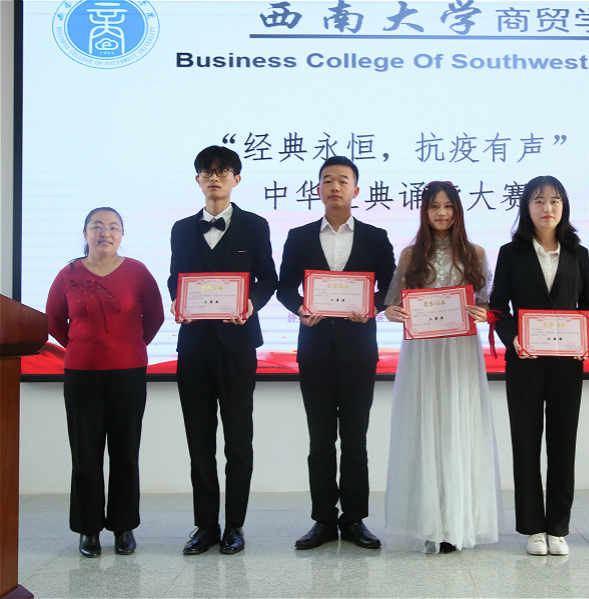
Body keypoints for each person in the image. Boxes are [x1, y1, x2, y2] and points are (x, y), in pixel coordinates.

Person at [277, 156, 395, 550]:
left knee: (355, 439)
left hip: (359, 350)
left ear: (355, 190)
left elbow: (390, 287)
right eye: (327, 180)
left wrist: (372, 306)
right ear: (318, 189)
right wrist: (300, 308)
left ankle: (355, 519)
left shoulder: (375, 236)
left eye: (343, 180)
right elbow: (284, 287)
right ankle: (324, 520)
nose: (335, 186)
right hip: (314, 350)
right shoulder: (299, 236)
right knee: (321, 439)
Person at [168, 145, 277, 555]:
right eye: (207, 171)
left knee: (238, 441)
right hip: (194, 346)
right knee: (199, 442)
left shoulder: (255, 225)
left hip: (237, 345)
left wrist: (251, 304)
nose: (214, 177)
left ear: (236, 179)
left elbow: (268, 279)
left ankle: (234, 526)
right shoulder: (181, 228)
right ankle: (205, 526)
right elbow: (175, 277)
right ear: (198, 179)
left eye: (223, 171)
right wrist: (177, 299)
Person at [382, 181, 501, 554]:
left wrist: (483, 312)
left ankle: (459, 522)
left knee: (459, 427)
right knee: (426, 429)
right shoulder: (409, 255)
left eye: (448, 206)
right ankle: (430, 522)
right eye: (434, 206)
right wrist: (392, 312)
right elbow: (392, 303)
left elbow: (489, 303)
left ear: (458, 210)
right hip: (423, 353)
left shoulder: (476, 254)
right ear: (424, 211)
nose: (441, 213)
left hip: (460, 351)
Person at [489, 175, 589, 556]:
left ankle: (558, 527)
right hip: (525, 360)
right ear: (527, 207)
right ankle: (533, 527)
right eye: (538, 201)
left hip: (567, 362)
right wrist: (513, 338)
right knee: (526, 442)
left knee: (562, 443)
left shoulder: (578, 253)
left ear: (564, 206)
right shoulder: (511, 252)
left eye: (554, 200)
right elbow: (497, 307)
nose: (547, 208)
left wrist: (585, 338)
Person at [46, 207, 164, 557]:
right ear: (85, 233)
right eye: (97, 226)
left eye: (113, 227)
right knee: (85, 453)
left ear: (122, 234)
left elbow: (155, 316)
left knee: (125, 452)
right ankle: (88, 529)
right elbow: (54, 320)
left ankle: (123, 527)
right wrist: (82, 345)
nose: (105, 233)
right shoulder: (68, 273)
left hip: (128, 373)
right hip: (81, 373)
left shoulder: (137, 271)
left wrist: (128, 346)